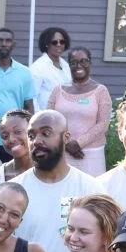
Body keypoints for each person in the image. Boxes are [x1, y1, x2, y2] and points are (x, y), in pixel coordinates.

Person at [12, 110, 106, 252]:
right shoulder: (14, 191)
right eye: (31, 136)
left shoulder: (91, 189)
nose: (37, 141)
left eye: (46, 133)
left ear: (66, 137)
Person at [48, 47, 110, 175]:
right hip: (62, 153)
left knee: (92, 188)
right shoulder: (57, 91)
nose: (79, 65)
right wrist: (65, 144)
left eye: (83, 61)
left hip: (91, 156)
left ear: (90, 63)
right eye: (74, 62)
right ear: (69, 65)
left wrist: (78, 143)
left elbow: (103, 124)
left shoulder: (101, 91)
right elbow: (49, 121)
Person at [0, 28, 36, 174]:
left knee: (19, 178)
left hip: (16, 139)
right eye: (0, 40)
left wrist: (31, 135)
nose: (4, 44)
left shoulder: (24, 72)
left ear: (14, 44)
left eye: (8, 40)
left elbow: (28, 105)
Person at [29, 26, 71, 107]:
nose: (59, 45)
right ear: (46, 44)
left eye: (62, 42)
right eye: (54, 42)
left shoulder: (66, 65)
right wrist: (39, 114)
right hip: (47, 113)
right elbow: (32, 98)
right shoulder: (38, 67)